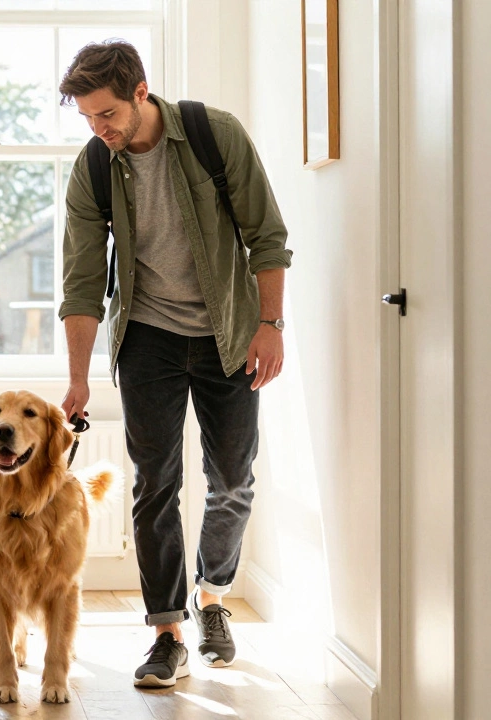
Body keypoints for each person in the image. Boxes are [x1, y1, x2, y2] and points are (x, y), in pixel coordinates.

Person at [57, 41, 292, 688]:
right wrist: (77, 378)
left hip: (231, 334)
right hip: (148, 338)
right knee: (154, 484)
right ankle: (166, 633)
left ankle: (212, 593)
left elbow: (267, 236)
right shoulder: (95, 166)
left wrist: (270, 325)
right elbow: (80, 283)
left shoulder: (213, 134)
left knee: (233, 479)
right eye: (86, 119)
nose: (97, 129)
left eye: (105, 114)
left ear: (140, 92)